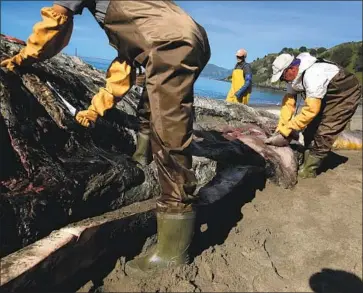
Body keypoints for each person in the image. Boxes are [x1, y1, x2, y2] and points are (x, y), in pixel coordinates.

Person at [1, 0, 211, 274]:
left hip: (169, 44)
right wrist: (94, 109)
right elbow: (124, 68)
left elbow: (56, 24)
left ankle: (174, 246)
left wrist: (24, 57)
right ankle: (141, 156)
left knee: (169, 133)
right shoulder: (136, 11)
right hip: (192, 37)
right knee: (153, 101)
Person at [265, 52, 361, 178]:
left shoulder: (313, 75)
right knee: (311, 127)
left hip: (345, 92)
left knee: (326, 130)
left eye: (283, 77)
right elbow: (288, 103)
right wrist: (282, 125)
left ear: (292, 69)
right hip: (326, 92)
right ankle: (307, 156)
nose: (283, 81)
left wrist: (289, 128)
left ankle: (309, 169)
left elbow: (311, 110)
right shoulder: (292, 77)